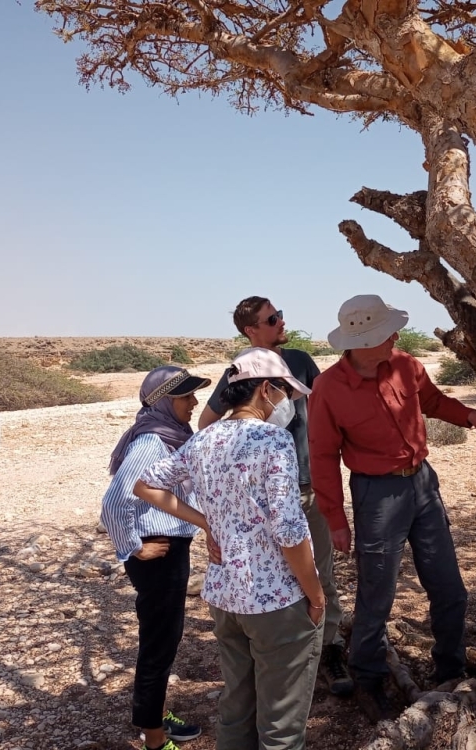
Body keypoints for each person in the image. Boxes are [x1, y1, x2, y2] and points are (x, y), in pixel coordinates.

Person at [307, 294, 476, 723]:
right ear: (362, 340)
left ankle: (452, 671)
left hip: (423, 484)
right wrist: (336, 519)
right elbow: (323, 457)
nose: (396, 337)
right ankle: (368, 678)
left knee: (449, 588)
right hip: (376, 497)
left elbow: (435, 402)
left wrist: (471, 416)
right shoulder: (328, 390)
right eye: (387, 332)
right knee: (377, 594)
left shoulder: (406, 365)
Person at [135, 348, 325, 750]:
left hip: (225, 596)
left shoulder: (205, 438)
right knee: (282, 726)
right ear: (266, 390)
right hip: (277, 601)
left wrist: (206, 521)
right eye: (284, 394)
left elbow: (146, 485)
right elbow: (289, 531)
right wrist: (316, 594)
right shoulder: (273, 440)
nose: (286, 403)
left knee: (236, 710)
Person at [197, 296, 353, 696]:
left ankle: (328, 649)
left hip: (307, 486)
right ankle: (282, 656)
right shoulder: (241, 372)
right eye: (272, 319)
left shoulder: (299, 360)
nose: (282, 321)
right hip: (260, 500)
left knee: (320, 572)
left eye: (280, 314)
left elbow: (327, 406)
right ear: (251, 330)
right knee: (271, 574)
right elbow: (208, 421)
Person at [100, 365, 211, 750]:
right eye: (186, 396)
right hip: (157, 552)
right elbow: (115, 500)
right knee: (159, 643)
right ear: (164, 401)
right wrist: (133, 546)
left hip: (168, 548)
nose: (194, 402)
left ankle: (154, 715)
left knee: (165, 638)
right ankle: (154, 738)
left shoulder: (169, 436)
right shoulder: (151, 441)